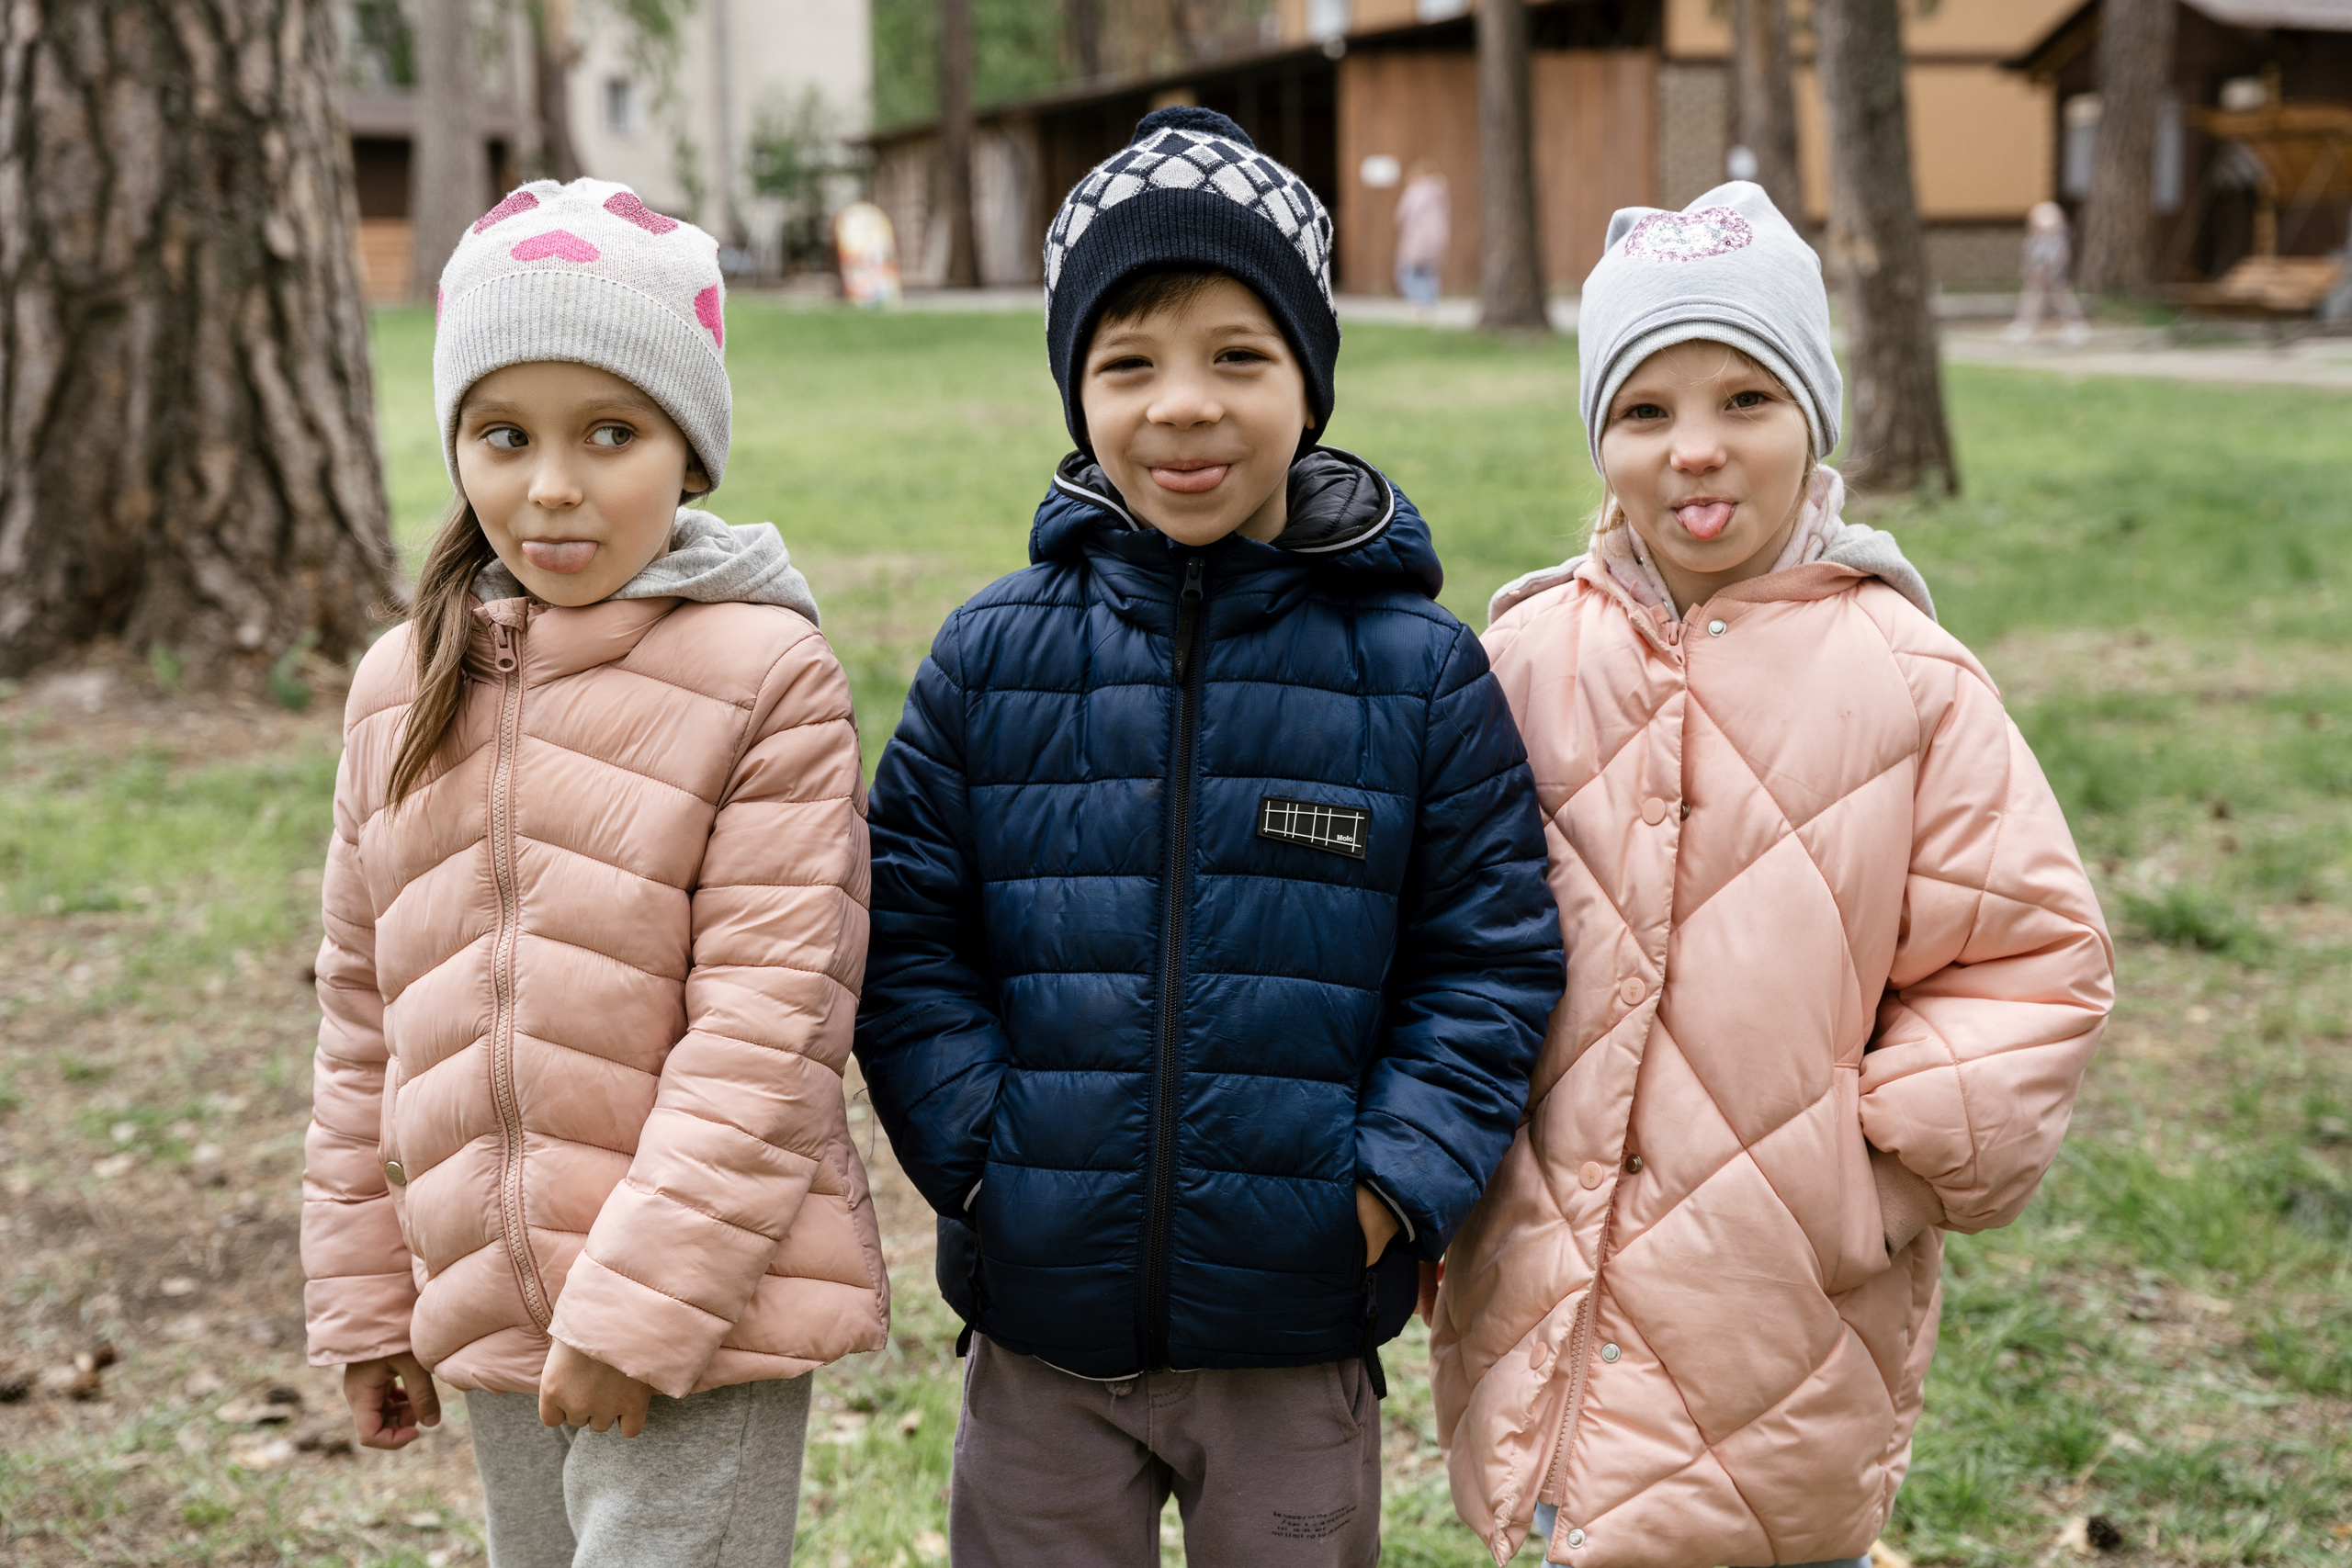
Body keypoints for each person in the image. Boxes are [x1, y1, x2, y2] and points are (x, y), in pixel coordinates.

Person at [853, 107, 1564, 1568]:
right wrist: (983, 1163)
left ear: (1311, 382)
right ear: (1077, 392)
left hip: (1295, 1326)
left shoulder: (1419, 670)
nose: (1183, 406)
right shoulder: (991, 657)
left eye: (1238, 356)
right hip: (1042, 1325)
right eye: (1131, 363)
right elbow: (907, 933)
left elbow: (1486, 959)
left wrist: (1385, 1187)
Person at [1430, 183, 2115, 1568]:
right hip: (1548, 1277)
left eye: (1745, 399)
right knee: (1570, 1521)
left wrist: (1887, 1175)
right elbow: (1436, 920)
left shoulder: (1909, 682)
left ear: (1815, 416)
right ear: (1600, 438)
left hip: (1779, 1301)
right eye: (1645, 409)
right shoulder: (1522, 661)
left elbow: (2030, 961)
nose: (1696, 447)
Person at [300, 177, 888, 1568]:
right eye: (504, 435)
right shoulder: (399, 686)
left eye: (610, 433)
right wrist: (372, 1299)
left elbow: (771, 1026)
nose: (552, 486)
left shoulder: (765, 676)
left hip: (698, 1309)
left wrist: (641, 1310)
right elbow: (363, 1020)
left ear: (691, 453)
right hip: (489, 1298)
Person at [2007, 199, 2091, 345]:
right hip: (2036, 279)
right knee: (2031, 299)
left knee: (2062, 300)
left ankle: (2074, 326)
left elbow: (2061, 258)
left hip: (2055, 278)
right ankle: (2024, 325)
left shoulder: (2058, 241)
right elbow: (2028, 258)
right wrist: (2029, 272)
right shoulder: (2032, 240)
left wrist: (2053, 273)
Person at [1395, 160, 1451, 313]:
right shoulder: (1439, 193)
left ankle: (1418, 302)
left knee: (1408, 271)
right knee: (1430, 271)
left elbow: (1402, 214)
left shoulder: (1415, 192)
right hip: (1437, 239)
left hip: (1417, 239)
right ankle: (1430, 301)